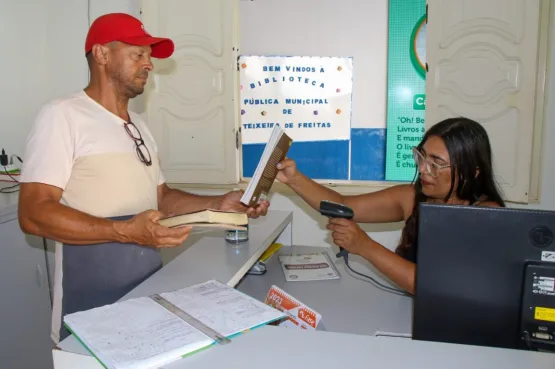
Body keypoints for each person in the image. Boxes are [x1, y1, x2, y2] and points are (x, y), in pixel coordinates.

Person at [17, 13, 269, 343]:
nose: (149, 64)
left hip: (148, 291)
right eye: (138, 54)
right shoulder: (62, 116)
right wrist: (124, 232)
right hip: (90, 299)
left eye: (149, 56)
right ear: (102, 55)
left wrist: (218, 204)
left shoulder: (139, 125)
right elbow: (33, 213)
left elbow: (161, 199)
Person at [276, 117, 505, 295]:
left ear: (472, 173)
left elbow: (436, 285)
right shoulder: (412, 197)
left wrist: (365, 246)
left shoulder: (487, 216)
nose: (424, 169)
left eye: (437, 164)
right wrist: (294, 178)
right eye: (422, 157)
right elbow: (343, 204)